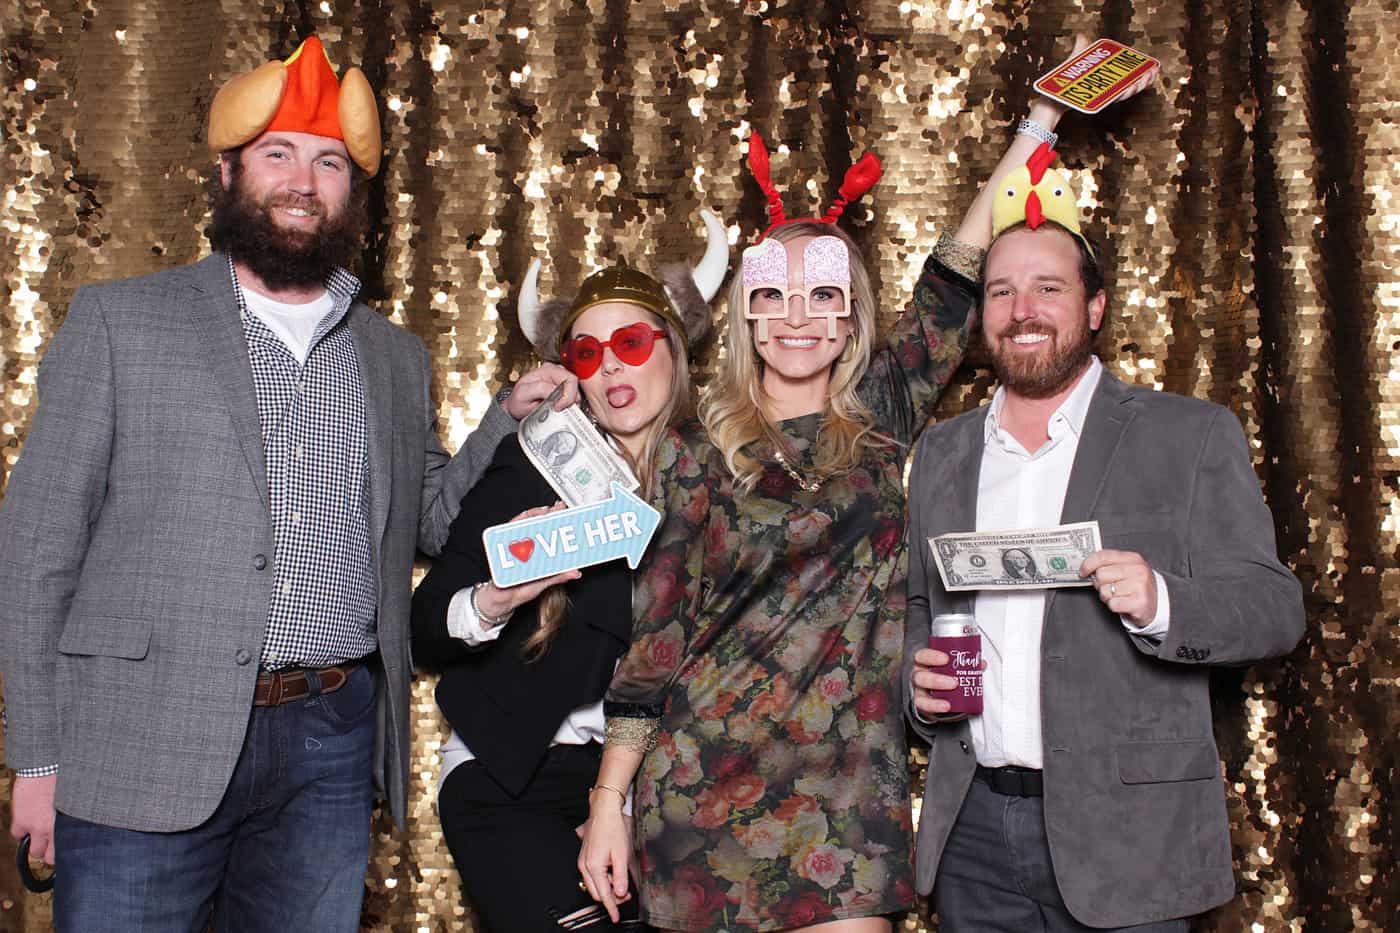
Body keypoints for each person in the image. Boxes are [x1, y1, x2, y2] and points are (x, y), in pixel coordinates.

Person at [0, 36, 571, 931]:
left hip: (327, 739)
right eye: (278, 155)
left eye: (328, 162)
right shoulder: (122, 323)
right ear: (228, 176)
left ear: (354, 195)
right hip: (143, 736)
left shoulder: (392, 356)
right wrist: (36, 757)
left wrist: (507, 416)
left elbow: (427, 520)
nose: (303, 181)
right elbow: (35, 552)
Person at [576, 97, 1081, 926]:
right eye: (774, 296)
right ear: (747, 312)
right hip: (700, 784)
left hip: (847, 789)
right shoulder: (698, 448)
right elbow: (655, 641)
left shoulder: (882, 408)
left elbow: (956, 271)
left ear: (850, 316)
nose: (798, 317)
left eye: (822, 295)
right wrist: (608, 802)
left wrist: (1040, 124)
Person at [902, 134, 1306, 927]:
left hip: (1132, 842)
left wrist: (1162, 600)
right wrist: (919, 693)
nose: (1023, 311)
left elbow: (1274, 607)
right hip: (973, 835)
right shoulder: (944, 453)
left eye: (1048, 288)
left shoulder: (1188, 436)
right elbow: (920, 608)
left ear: (1094, 307)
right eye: (1001, 291)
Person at [410, 213, 727, 932]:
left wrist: (621, 804)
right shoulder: (530, 463)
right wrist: (492, 599)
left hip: (657, 793)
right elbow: (424, 628)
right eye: (588, 352)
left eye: (631, 342)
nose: (611, 365)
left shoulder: (719, 482)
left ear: (674, 352)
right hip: (509, 779)